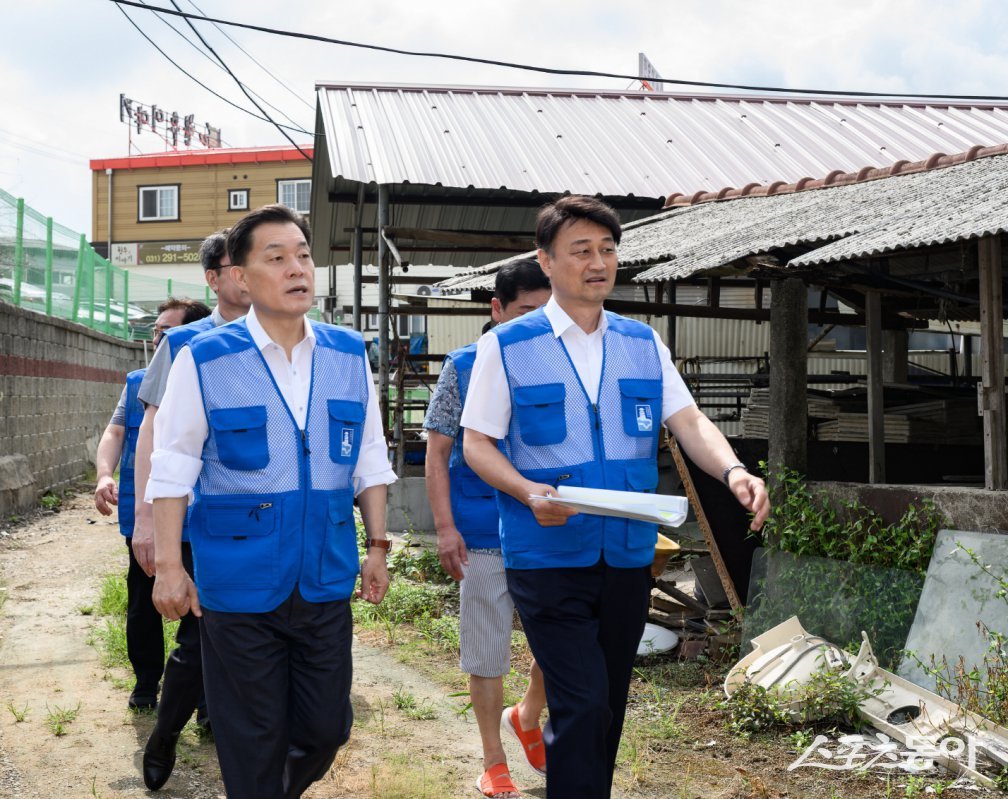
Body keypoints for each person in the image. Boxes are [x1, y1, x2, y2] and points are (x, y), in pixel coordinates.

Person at [461, 195, 770, 799]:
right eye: (581, 250)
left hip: (627, 553)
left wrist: (733, 471)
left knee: (606, 706)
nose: (598, 262)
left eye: (607, 249)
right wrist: (527, 491)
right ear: (546, 262)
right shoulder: (509, 347)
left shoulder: (642, 344)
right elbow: (478, 445)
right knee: (581, 702)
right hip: (546, 553)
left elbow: (689, 422)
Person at [147, 203, 395, 799]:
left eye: (303, 256)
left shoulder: (346, 353)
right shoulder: (204, 358)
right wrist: (171, 566)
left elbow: (368, 456)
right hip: (238, 580)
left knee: (326, 729)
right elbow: (173, 465)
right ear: (240, 275)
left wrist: (379, 546)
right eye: (277, 258)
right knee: (252, 733)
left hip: (324, 573)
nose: (296, 268)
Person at [423, 258, 551, 799]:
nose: (538, 326)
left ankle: (529, 714)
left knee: (557, 641)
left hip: (549, 527)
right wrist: (445, 527)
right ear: (497, 311)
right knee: (487, 646)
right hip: (480, 529)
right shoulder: (465, 365)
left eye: (548, 313)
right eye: (525, 313)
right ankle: (493, 761)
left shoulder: (562, 360)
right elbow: (437, 454)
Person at [131, 232, 253, 790]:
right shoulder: (180, 344)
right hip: (200, 518)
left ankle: (241, 738)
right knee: (200, 637)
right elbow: (151, 432)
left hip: (267, 519)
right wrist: (145, 519)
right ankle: (165, 733)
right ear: (214, 278)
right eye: (239, 265)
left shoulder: (298, 338)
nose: (253, 273)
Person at [92, 297, 210, 711]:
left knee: (200, 606)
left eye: (167, 331)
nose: (158, 337)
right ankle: (146, 683)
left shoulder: (211, 374)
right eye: (156, 331)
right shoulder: (138, 382)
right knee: (143, 602)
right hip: (144, 513)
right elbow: (115, 433)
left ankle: (201, 698)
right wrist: (105, 474)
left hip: (198, 516)